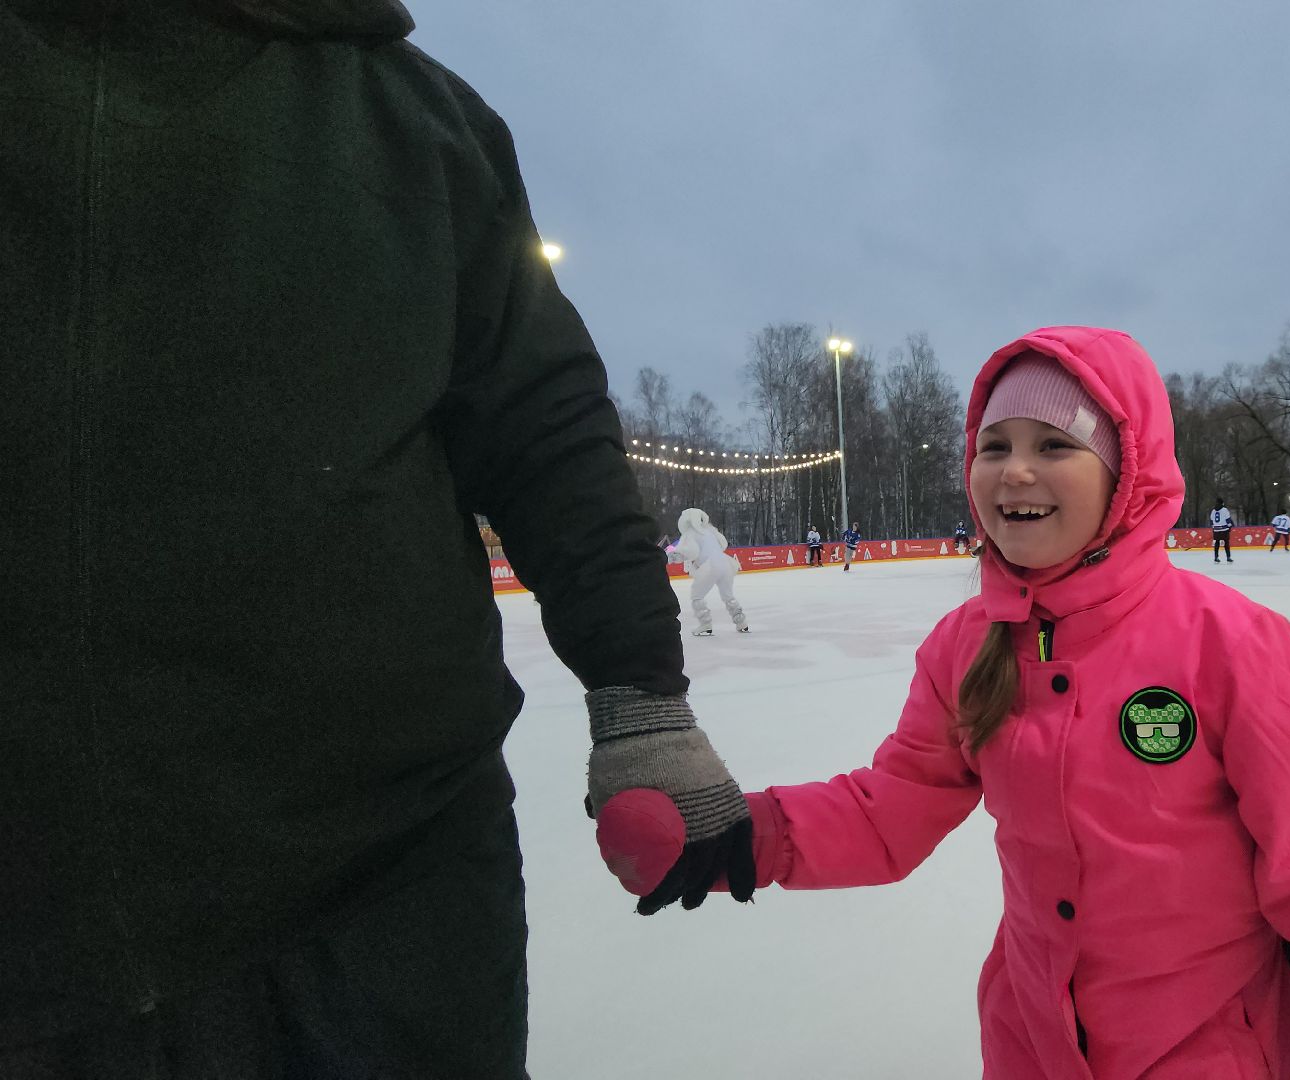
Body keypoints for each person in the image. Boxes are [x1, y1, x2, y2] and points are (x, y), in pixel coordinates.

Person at [1, 3, 753, 1075]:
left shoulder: (414, 118)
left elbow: (545, 427)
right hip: (35, 908)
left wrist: (639, 693)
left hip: (387, 873)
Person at [595, 327, 1290, 1077]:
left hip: (1209, 1046)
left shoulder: (1228, 642)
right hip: (1034, 1041)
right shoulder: (967, 646)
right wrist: (751, 834)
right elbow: (893, 808)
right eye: (993, 445)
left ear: (1125, 474)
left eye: (1054, 444)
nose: (1016, 469)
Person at [676, 508, 750, 635]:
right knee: (728, 595)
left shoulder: (690, 533)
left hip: (710, 566)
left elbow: (691, 552)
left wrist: (675, 556)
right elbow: (723, 544)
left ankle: (705, 624)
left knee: (696, 595)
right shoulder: (710, 530)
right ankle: (741, 622)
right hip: (725, 563)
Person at [1209, 498, 1235, 563]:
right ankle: (1228, 557)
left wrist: (1214, 528)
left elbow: (1211, 521)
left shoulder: (1213, 511)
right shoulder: (1224, 510)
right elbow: (1228, 520)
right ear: (1222, 503)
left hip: (1216, 529)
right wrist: (1230, 527)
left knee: (1217, 543)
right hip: (1224, 529)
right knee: (1226, 543)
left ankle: (1216, 557)